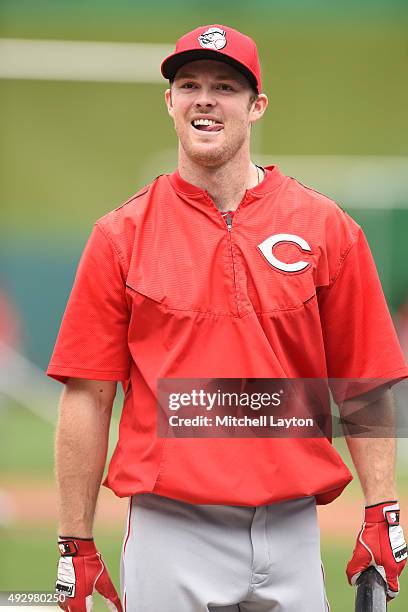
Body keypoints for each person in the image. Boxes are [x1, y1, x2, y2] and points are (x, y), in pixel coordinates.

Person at [48, 24, 408, 611]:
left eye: (225, 86)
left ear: (256, 105)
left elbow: (363, 379)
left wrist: (382, 510)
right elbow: (87, 396)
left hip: (291, 525)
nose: (205, 98)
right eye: (188, 84)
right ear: (170, 102)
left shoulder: (328, 228)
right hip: (171, 528)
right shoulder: (120, 237)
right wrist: (74, 543)